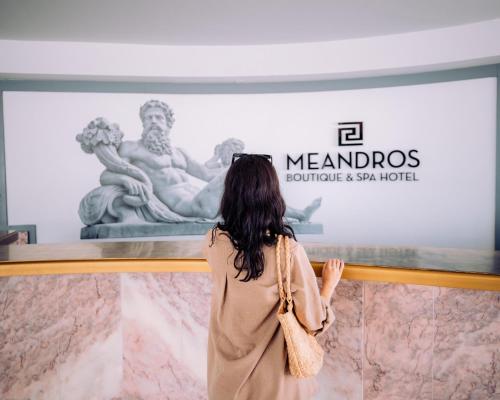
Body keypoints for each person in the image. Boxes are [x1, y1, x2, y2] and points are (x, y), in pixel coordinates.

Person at [203, 154, 345, 400]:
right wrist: (328, 287)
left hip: (224, 383)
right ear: (272, 195)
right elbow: (312, 321)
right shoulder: (286, 252)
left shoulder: (213, 242)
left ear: (230, 194)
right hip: (275, 387)